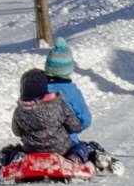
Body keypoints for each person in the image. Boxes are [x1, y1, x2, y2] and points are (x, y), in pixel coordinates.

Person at [0, 68, 81, 180]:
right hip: (61, 150)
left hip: (32, 150)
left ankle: (10, 159)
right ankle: (73, 159)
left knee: (11, 149)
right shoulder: (58, 104)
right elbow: (75, 126)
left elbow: (17, 132)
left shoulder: (20, 110)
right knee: (81, 147)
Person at [44, 37, 117, 173]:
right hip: (65, 144)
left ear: (47, 67)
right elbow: (85, 119)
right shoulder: (71, 92)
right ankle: (74, 159)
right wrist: (76, 127)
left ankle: (18, 159)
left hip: (38, 145)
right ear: (68, 69)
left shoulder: (38, 89)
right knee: (84, 147)